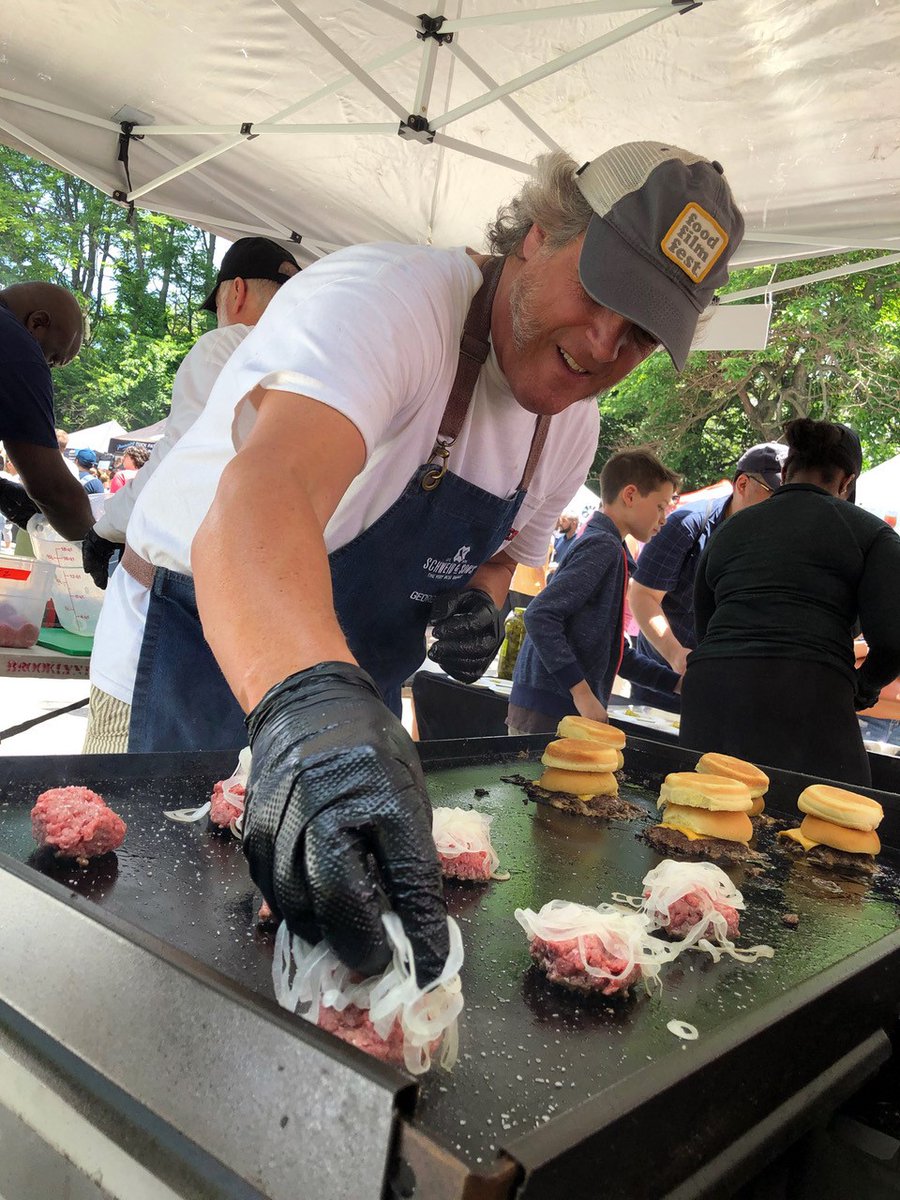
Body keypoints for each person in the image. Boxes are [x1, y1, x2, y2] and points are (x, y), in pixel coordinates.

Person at [119, 141, 744, 983]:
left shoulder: (569, 425)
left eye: (639, 332)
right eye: (603, 290)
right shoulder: (386, 303)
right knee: (171, 948)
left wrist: (483, 605)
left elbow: (502, 559)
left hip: (355, 694)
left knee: (337, 965)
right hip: (196, 653)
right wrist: (311, 707)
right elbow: (262, 499)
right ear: (540, 231)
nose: (603, 343)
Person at [80, 236, 301, 754]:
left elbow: (175, 462)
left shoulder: (227, 346)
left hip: (162, 632)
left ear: (236, 292)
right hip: (262, 645)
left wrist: (104, 527)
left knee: (115, 807)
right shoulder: (333, 370)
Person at [680, 418, 900, 786]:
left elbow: (705, 627)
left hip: (712, 692)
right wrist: (864, 687)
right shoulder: (872, 533)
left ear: (785, 471)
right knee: (827, 829)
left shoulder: (729, 529)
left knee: (703, 819)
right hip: (809, 692)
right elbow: (893, 640)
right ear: (846, 482)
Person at [506, 448, 681, 734]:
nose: (664, 518)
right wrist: (582, 693)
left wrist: (674, 682)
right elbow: (540, 614)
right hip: (551, 709)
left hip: (556, 707)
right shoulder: (603, 546)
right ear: (630, 495)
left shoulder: (612, 549)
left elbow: (615, 651)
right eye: (661, 506)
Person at [628, 442, 787, 712]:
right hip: (663, 683)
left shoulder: (776, 545)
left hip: (725, 692)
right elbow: (642, 595)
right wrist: (676, 654)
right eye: (774, 494)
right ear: (743, 484)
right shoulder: (687, 523)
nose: (781, 507)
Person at [0, 281, 93, 538]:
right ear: (37, 323)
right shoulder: (16, 345)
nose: (45, 369)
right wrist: (95, 543)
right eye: (51, 358)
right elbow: (52, 488)